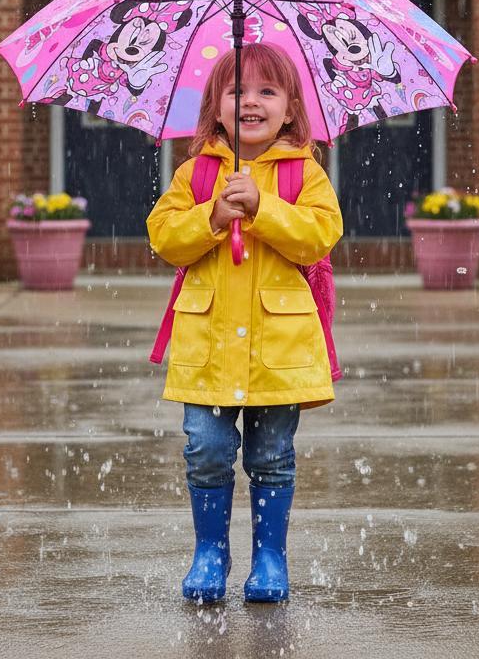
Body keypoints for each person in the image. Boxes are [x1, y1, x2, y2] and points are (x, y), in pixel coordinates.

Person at [146, 43, 343, 604]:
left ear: (290, 109)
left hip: (276, 349)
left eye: (267, 92)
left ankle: (269, 558)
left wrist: (264, 209)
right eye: (237, 91)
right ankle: (210, 553)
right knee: (205, 449)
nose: (251, 102)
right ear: (215, 106)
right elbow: (164, 237)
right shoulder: (196, 173)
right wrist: (211, 215)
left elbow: (320, 235)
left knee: (270, 457)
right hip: (207, 346)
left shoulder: (304, 173)